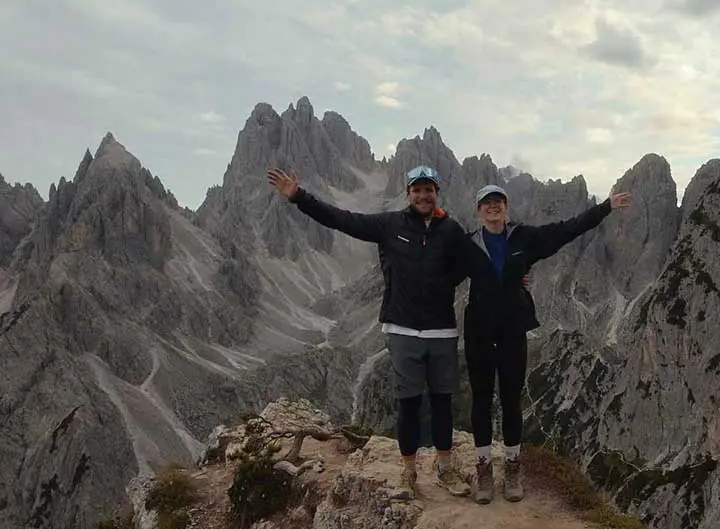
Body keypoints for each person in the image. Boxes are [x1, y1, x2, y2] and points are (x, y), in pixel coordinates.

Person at [266, 163, 471, 496]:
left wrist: (512, 275)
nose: (423, 195)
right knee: (408, 404)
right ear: (408, 194)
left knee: (442, 403)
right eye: (417, 190)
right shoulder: (390, 224)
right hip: (402, 329)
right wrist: (299, 197)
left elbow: (473, 265)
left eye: (429, 190)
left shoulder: (451, 230)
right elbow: (342, 219)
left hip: (442, 330)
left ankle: (445, 470)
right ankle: (408, 472)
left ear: (437, 193)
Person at [459, 183, 632, 503]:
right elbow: (442, 271)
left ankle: (512, 467)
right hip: (478, 333)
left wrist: (606, 207)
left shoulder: (524, 237)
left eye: (498, 202)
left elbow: (566, 230)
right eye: (486, 203)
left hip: (512, 330)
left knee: (511, 400)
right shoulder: (467, 244)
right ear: (478, 210)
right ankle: (484, 471)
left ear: (506, 207)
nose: (493, 207)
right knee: (481, 401)